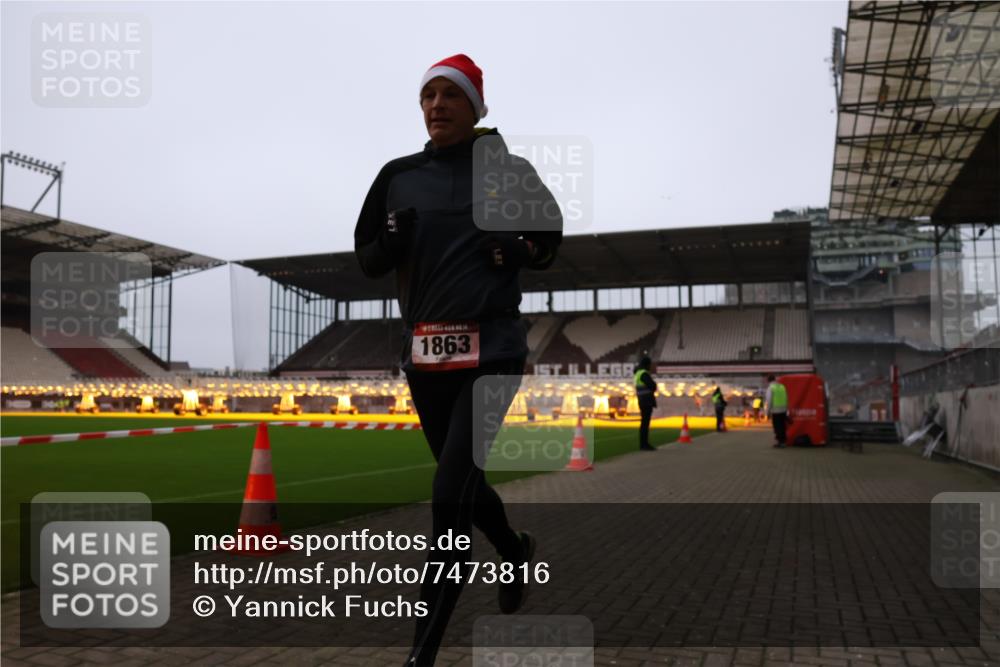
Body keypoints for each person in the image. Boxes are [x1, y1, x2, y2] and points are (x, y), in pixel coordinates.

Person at [354, 54, 562, 667]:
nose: (436, 105)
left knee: (448, 497)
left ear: (475, 106)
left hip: (492, 351)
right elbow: (367, 257)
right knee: (463, 484)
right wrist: (390, 240)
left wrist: (515, 249)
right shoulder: (397, 175)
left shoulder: (508, 169)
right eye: (428, 95)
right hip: (425, 357)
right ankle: (514, 550)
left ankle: (420, 657)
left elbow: (548, 240)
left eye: (450, 94)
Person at [634, 355, 657, 451]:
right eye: (650, 364)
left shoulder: (638, 373)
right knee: (645, 423)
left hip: (642, 400)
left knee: (644, 423)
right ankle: (644, 444)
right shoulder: (644, 374)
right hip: (646, 400)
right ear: (647, 364)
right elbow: (652, 386)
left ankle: (643, 443)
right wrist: (654, 384)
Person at [764, 374, 788, 448]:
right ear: (775, 379)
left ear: (768, 381)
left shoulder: (770, 388)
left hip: (775, 410)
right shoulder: (782, 386)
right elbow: (786, 398)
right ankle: (783, 441)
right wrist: (787, 410)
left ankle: (779, 442)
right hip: (783, 410)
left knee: (777, 427)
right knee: (782, 426)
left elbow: (769, 401)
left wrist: (767, 413)